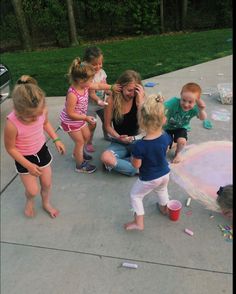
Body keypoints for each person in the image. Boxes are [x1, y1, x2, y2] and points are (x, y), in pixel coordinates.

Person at [4, 75, 66, 218]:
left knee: (47, 183)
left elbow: (45, 123)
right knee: (32, 190)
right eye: (31, 117)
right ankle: (30, 200)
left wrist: (56, 139)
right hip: (24, 158)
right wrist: (28, 165)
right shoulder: (11, 124)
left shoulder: (40, 111)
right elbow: (10, 148)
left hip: (41, 151)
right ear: (17, 110)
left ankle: (46, 203)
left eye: (38, 114)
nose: (35, 118)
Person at [59, 57, 120, 173]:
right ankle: (80, 165)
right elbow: (70, 113)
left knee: (87, 136)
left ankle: (77, 153)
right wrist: (86, 117)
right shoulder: (72, 94)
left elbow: (98, 86)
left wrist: (111, 87)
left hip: (80, 119)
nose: (92, 82)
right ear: (80, 80)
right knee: (80, 142)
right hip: (71, 122)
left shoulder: (85, 85)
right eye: (90, 80)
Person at [124, 94, 173, 230]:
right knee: (162, 190)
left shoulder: (140, 145)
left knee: (136, 195)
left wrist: (133, 157)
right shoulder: (166, 136)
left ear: (141, 122)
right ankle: (164, 209)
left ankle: (138, 223)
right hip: (165, 174)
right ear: (163, 120)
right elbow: (167, 150)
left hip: (149, 177)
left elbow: (136, 165)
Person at [100, 70, 145, 176]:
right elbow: (107, 126)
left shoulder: (139, 98)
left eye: (135, 90)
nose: (132, 94)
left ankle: (124, 164)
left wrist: (140, 104)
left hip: (138, 140)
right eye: (129, 90)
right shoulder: (111, 100)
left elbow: (146, 124)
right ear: (121, 88)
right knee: (105, 157)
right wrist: (119, 137)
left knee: (159, 150)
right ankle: (135, 168)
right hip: (119, 141)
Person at [163, 82, 207, 163]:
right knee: (163, 144)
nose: (186, 104)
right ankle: (168, 146)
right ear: (181, 95)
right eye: (183, 100)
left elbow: (202, 118)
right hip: (166, 127)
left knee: (182, 141)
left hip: (181, 127)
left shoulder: (196, 108)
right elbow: (161, 107)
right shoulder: (174, 102)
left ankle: (178, 153)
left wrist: (201, 110)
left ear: (197, 101)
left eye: (190, 102)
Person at [83, 46, 110, 153]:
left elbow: (105, 85)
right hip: (90, 105)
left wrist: (110, 91)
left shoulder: (102, 72)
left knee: (107, 120)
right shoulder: (87, 76)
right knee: (92, 125)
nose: (98, 66)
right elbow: (91, 93)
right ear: (86, 63)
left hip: (101, 103)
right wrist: (99, 100)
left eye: (100, 63)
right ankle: (88, 142)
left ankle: (107, 134)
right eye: (94, 64)